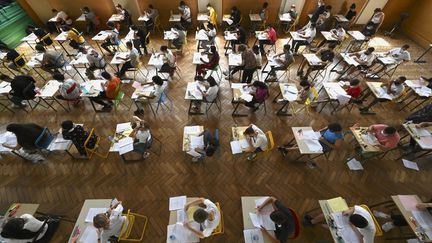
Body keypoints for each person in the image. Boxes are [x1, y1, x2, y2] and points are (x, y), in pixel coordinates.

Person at [305, 205, 376, 243]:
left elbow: (361, 239)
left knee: (336, 231)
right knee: (330, 215)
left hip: (352, 234)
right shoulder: (364, 213)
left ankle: (319, 223)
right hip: (349, 226)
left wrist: (354, 228)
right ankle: (312, 222)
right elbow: (355, 208)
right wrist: (350, 211)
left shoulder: (370, 233)